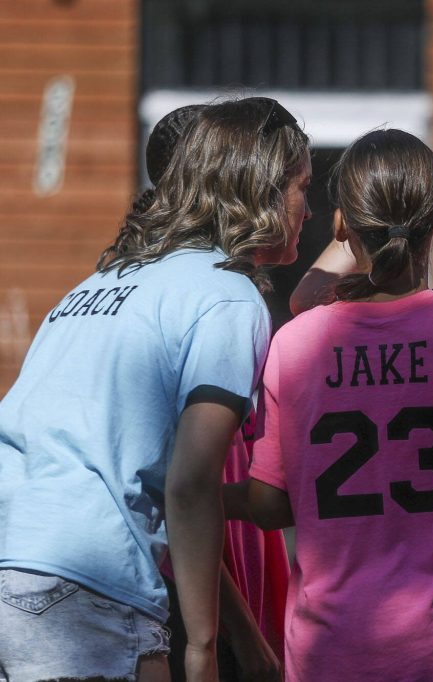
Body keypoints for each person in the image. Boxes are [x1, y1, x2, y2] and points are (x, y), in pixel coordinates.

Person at [0, 97, 311, 682]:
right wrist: (202, 648)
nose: (309, 209)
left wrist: (252, 648)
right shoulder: (227, 296)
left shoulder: (97, 284)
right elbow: (191, 485)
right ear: (262, 189)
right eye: (301, 186)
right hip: (85, 583)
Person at [232, 128, 433, 681]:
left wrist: (190, 494)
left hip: (332, 649)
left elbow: (272, 506)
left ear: (343, 224)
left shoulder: (296, 343)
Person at [139, 103, 288, 682]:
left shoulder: (177, 286)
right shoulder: (213, 302)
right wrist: (237, 637)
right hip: (198, 597)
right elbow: (184, 494)